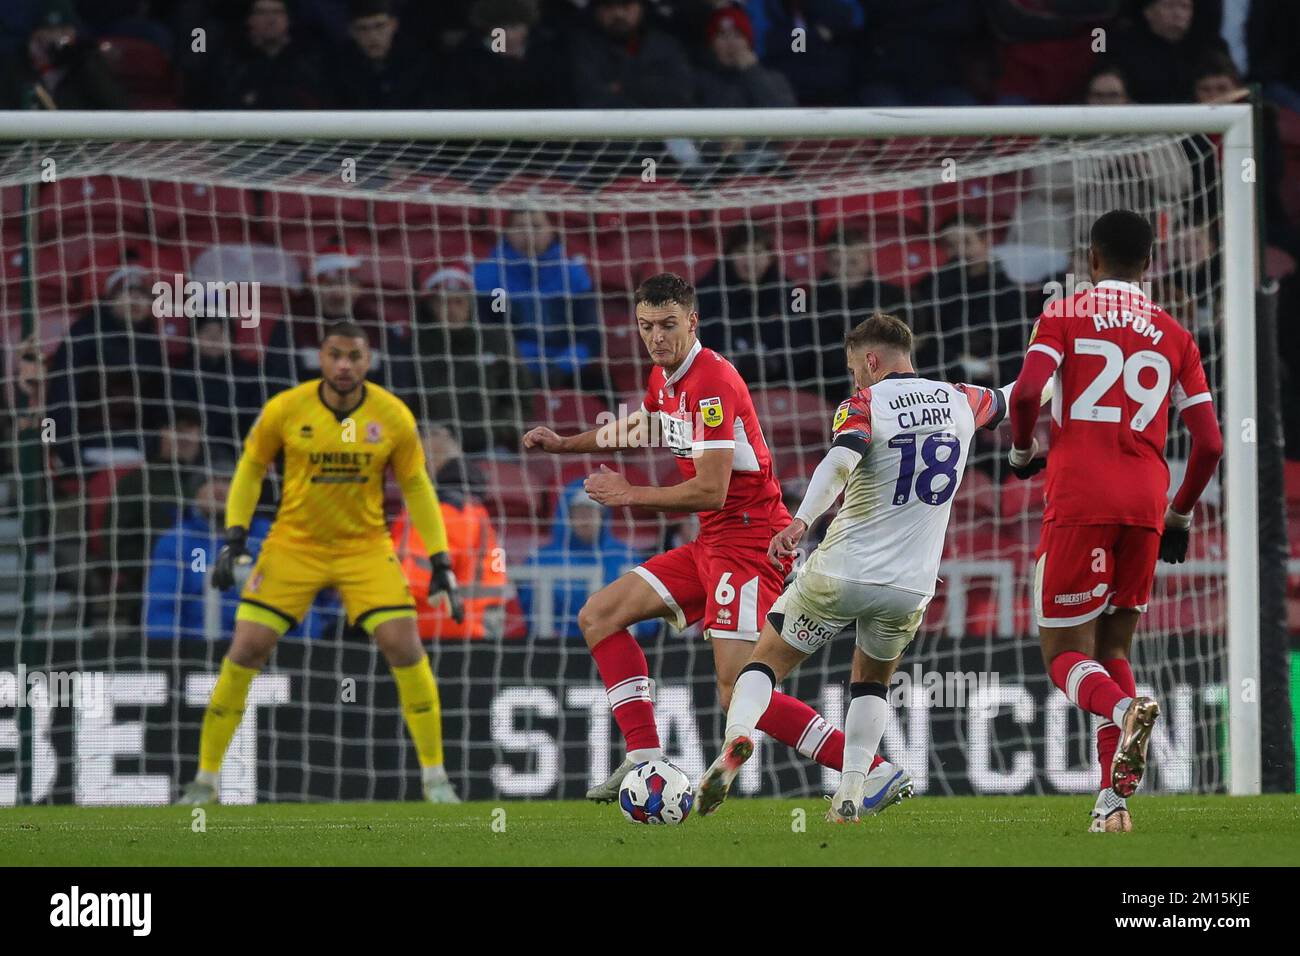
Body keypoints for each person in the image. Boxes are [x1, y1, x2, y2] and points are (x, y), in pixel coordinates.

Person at [522, 272, 905, 802]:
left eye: (668, 325)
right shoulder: (665, 378)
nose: (656, 336)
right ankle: (643, 757)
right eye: (646, 326)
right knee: (599, 615)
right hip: (712, 543)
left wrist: (629, 493)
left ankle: (871, 769)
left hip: (750, 545)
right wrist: (566, 444)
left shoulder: (713, 384)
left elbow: (711, 489)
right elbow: (645, 427)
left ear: (692, 321)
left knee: (737, 689)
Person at [696, 313, 1040, 821]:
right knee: (871, 684)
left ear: (872, 360)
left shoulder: (866, 403)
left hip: (841, 572)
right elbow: (1024, 392)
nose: (854, 375)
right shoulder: (962, 398)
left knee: (761, 666)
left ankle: (738, 738)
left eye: (855, 365)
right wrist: (1055, 358)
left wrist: (801, 522)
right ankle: (852, 792)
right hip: (910, 586)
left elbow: (839, 460)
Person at [176, 320, 466, 805]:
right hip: (294, 545)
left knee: (404, 645)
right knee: (246, 648)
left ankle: (436, 779)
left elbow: (416, 486)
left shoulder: (393, 416)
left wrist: (440, 559)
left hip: (364, 547)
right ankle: (204, 782)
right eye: (336, 355)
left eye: (354, 356)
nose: (345, 365)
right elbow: (250, 467)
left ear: (368, 360)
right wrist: (235, 536)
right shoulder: (287, 408)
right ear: (322, 357)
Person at [1006, 210, 1224, 832]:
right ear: (1149, 263)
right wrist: (1179, 514)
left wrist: (1023, 452)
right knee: (1114, 648)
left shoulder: (1065, 314)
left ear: (1092, 260)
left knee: (1064, 657)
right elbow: (1208, 444)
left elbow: (1024, 396)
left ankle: (1126, 711)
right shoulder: (1175, 334)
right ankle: (1112, 802)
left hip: (1080, 502)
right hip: (1147, 506)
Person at [143, 469, 337, 641]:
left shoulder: (271, 538)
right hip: (197, 656)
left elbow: (301, 603)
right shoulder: (178, 541)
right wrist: (171, 654)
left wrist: (300, 651)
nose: (219, 489)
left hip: (269, 658)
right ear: (196, 492)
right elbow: (162, 608)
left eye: (228, 481)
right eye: (209, 481)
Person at [46, 262, 169, 470]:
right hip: (87, 443)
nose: (136, 301)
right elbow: (62, 394)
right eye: (128, 293)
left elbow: (157, 401)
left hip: (138, 444)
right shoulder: (84, 334)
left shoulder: (150, 343)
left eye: (143, 295)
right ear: (111, 298)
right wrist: (64, 448)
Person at [393, 425, 507, 641]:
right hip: (463, 630)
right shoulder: (469, 506)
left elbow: (413, 580)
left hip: (441, 632)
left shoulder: (445, 509)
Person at [472, 209, 600, 392]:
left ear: (551, 230)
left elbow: (590, 337)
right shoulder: (490, 275)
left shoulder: (573, 274)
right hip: (510, 369)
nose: (528, 233)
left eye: (536, 226)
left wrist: (560, 368)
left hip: (567, 370)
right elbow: (491, 332)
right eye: (520, 226)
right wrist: (518, 364)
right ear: (507, 232)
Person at [410, 265, 530, 453]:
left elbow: (520, 403)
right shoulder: (412, 348)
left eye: (459, 301)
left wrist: (489, 431)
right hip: (431, 448)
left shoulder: (498, 342)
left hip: (490, 447)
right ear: (430, 306)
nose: (452, 310)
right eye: (444, 302)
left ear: (470, 303)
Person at [107, 408, 206, 626]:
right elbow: (116, 542)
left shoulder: (212, 481)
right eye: (176, 429)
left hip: (211, 588)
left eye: (191, 429)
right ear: (162, 433)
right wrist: (153, 571)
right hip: (149, 588)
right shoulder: (137, 483)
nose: (184, 437)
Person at [515, 480, 649, 640]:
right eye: (579, 512)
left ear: (602, 515)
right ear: (567, 516)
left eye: (592, 511)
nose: (586, 518)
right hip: (556, 647)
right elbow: (526, 611)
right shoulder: (542, 559)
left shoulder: (625, 556)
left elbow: (648, 614)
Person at [697, 225, 813, 388]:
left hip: (781, 384)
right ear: (729, 256)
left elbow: (802, 339)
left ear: (770, 257)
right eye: (742, 251)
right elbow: (701, 342)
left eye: (758, 251)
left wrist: (775, 363)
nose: (750, 260)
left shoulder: (794, 293)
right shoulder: (705, 291)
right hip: (723, 384)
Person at [0, 0, 129, 109]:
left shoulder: (85, 66)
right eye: (50, 31)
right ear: (34, 36)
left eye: (64, 31)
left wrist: (87, 63)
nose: (58, 38)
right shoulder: (12, 69)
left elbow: (118, 107)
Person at [567, 0, 695, 108]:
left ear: (641, 7)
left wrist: (623, 87)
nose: (618, 14)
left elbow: (679, 94)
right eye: (609, 7)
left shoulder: (665, 46)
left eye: (625, 5)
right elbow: (590, 97)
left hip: (663, 131)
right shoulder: (584, 48)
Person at [330, 0, 430, 109]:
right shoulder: (338, 66)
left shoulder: (418, 62)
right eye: (362, 29)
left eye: (379, 26)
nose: (372, 36)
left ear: (394, 25)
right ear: (352, 32)